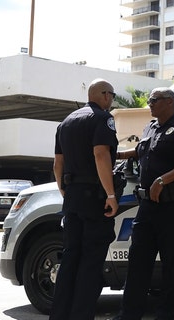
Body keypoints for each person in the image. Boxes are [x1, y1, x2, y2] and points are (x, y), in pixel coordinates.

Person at [113, 87, 174, 320]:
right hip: (148, 207)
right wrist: (119, 154)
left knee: (171, 264)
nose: (149, 104)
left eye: (153, 100)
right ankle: (129, 314)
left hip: (173, 206)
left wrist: (162, 180)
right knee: (138, 261)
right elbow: (142, 151)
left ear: (169, 102)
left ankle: (165, 314)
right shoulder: (149, 128)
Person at [50, 78, 119, 320]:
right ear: (104, 95)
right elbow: (101, 154)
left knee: (70, 258)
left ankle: (59, 315)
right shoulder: (102, 118)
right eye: (112, 95)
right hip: (94, 198)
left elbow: (58, 163)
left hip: (72, 198)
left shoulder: (66, 122)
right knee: (91, 261)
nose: (112, 100)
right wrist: (111, 194)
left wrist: (64, 191)